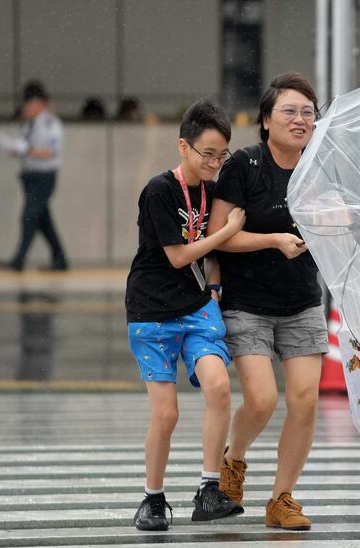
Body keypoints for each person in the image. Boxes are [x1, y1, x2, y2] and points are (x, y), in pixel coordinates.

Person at [210, 72, 328, 531]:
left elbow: (335, 232)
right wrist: (274, 240)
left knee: (305, 401)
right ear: (265, 120)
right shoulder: (244, 166)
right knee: (261, 400)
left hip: (302, 301)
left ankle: (282, 498)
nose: (300, 120)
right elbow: (221, 235)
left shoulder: (321, 170)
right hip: (248, 302)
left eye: (308, 113)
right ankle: (233, 460)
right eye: (290, 111)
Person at [125, 97, 246, 530]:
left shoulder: (211, 191)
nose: (215, 162)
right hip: (151, 309)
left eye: (222, 155)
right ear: (183, 147)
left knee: (218, 387)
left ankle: (208, 490)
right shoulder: (160, 190)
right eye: (207, 153)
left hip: (196, 307)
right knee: (167, 415)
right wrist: (230, 230)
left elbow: (210, 258)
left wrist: (214, 286)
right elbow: (178, 257)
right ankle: (152, 499)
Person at [0, 81, 68, 271]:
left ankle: (19, 259)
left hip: (44, 176)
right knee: (43, 220)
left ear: (39, 103)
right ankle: (60, 259)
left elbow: (51, 152)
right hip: (29, 176)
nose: (27, 107)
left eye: (30, 103)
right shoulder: (29, 124)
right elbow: (24, 148)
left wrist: (27, 149)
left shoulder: (50, 123)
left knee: (29, 216)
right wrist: (14, 148)